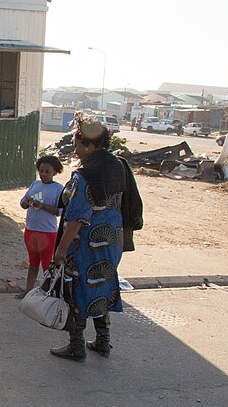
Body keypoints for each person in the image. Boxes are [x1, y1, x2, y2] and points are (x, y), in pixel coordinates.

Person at [50, 117, 143, 361]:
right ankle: (103, 341)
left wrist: (61, 250)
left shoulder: (85, 175)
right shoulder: (119, 166)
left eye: (77, 143)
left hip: (84, 245)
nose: (75, 148)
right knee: (102, 285)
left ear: (89, 145)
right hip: (112, 242)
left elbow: (78, 218)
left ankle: (76, 346)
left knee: (76, 291)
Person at [19, 155, 65, 298]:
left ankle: (48, 293)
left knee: (47, 265)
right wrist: (26, 203)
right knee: (33, 263)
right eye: (41, 171)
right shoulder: (35, 185)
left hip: (48, 232)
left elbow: (60, 212)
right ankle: (28, 290)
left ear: (54, 172)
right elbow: (22, 203)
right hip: (31, 230)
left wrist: (43, 206)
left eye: (47, 171)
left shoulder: (58, 189)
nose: (43, 174)